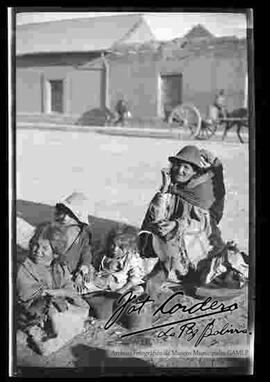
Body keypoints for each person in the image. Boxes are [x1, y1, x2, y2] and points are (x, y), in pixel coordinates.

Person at [139, 145, 248, 296]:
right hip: (174, 241)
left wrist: (177, 225)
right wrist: (163, 191)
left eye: (186, 167)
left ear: (195, 172)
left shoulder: (201, 192)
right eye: (177, 165)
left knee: (214, 278)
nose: (180, 170)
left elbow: (205, 226)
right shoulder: (172, 187)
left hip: (199, 246)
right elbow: (154, 219)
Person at [17, 222, 89, 355]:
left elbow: (67, 284)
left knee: (80, 306)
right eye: (35, 245)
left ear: (55, 252)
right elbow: (29, 296)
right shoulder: (24, 268)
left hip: (56, 302)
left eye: (45, 248)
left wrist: (63, 292)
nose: (38, 251)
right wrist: (60, 293)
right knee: (49, 330)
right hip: (35, 309)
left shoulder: (59, 265)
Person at [82, 224, 145, 296]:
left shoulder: (131, 258)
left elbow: (134, 278)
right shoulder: (104, 253)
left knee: (138, 290)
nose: (115, 249)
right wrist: (90, 271)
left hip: (120, 287)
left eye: (120, 247)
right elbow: (92, 264)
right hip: (101, 283)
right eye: (113, 245)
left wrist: (122, 291)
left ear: (129, 247)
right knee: (83, 284)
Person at [54, 192, 93, 293]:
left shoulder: (83, 234)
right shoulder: (54, 231)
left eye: (70, 214)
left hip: (74, 272)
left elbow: (86, 255)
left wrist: (80, 274)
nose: (65, 217)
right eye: (63, 212)